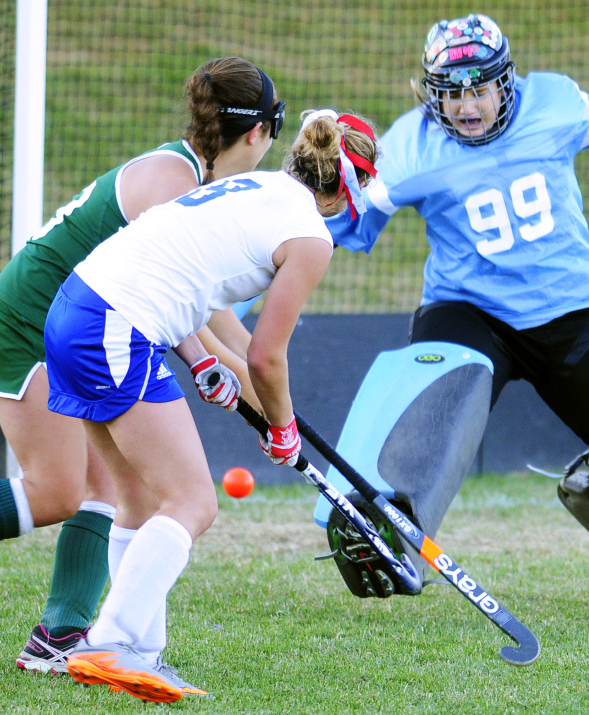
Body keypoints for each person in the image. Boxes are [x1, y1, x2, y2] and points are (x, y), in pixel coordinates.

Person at [0, 57, 283, 672]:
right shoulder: (173, 182)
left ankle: (60, 635)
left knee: (111, 489)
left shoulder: (187, 176)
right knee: (56, 490)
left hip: (67, 328)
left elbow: (211, 310)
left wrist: (267, 393)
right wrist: (222, 370)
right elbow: (182, 309)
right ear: (258, 132)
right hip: (25, 326)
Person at [321, 13, 589, 599]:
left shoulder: (554, 103)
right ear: (431, 94)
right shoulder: (409, 146)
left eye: (479, 89)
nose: (466, 106)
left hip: (572, 312)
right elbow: (335, 226)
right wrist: (267, 246)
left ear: (505, 83)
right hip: (468, 311)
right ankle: (386, 529)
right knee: (434, 419)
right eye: (451, 93)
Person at [45, 109, 378, 703]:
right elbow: (266, 358)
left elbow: (178, 274)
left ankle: (140, 654)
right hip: (116, 326)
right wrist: (282, 429)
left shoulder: (250, 186)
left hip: (76, 308)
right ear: (346, 189)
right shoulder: (310, 237)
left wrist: (199, 359)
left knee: (140, 500)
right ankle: (109, 640)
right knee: (193, 502)